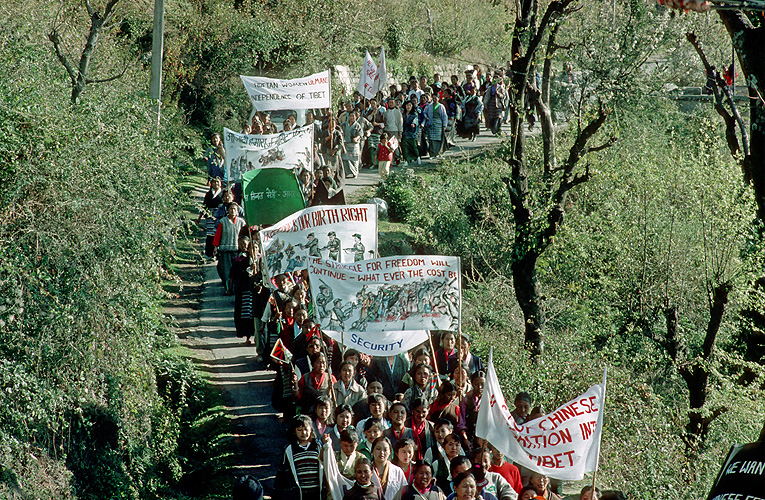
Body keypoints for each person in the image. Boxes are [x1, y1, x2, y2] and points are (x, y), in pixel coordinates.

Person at [274, 415, 324, 500]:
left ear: (311, 430)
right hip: (299, 493)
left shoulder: (317, 446)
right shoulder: (290, 449)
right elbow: (282, 473)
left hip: (317, 492)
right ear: (294, 431)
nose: (303, 433)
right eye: (299, 430)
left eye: (306, 429)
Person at [212, 201, 247, 295]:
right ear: (227, 210)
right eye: (231, 209)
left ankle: (235, 289)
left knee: (237, 272)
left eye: (235, 209)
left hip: (237, 250)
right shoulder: (223, 221)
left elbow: (245, 235)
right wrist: (215, 247)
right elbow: (218, 235)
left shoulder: (241, 222)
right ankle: (228, 289)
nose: (233, 211)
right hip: (225, 250)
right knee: (226, 272)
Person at [456, 371, 485, 449]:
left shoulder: (489, 401)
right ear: (472, 384)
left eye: (482, 384)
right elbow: (461, 423)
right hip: (469, 438)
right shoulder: (466, 400)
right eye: (476, 384)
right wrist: (466, 440)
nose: (479, 387)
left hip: (485, 440)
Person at [198, 176, 223, 261]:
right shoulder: (208, 194)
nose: (216, 184)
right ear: (211, 183)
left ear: (220, 183)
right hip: (210, 216)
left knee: (218, 234)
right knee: (210, 235)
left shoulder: (223, 193)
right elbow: (204, 206)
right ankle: (208, 254)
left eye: (218, 182)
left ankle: (216, 254)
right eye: (214, 182)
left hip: (219, 216)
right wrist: (199, 217)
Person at [424, 93, 448, 158]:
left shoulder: (441, 106)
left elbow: (444, 116)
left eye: (436, 98)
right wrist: (426, 117)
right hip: (431, 123)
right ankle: (432, 153)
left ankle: (437, 153)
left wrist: (444, 125)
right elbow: (424, 113)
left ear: (438, 98)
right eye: (433, 98)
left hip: (439, 124)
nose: (434, 100)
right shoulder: (429, 106)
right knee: (431, 139)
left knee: (438, 139)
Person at [343, 110, 363, 178]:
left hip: (354, 144)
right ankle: (347, 172)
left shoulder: (357, 125)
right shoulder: (344, 124)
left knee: (354, 159)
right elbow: (340, 131)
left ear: (355, 117)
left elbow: (360, 134)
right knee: (346, 159)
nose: (351, 118)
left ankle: (355, 173)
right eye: (350, 116)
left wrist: (356, 138)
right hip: (346, 143)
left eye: (353, 116)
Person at [401, 100, 420, 166]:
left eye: (410, 105)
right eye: (407, 105)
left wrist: (414, 123)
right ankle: (406, 160)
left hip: (412, 133)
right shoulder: (403, 114)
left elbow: (416, 120)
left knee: (413, 146)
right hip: (405, 132)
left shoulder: (414, 114)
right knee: (405, 147)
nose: (408, 107)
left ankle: (417, 157)